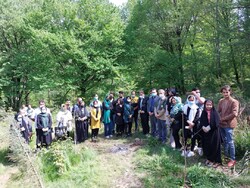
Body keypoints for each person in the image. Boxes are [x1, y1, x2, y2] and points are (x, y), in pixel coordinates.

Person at [218, 85, 239, 167]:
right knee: (224, 141)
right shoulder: (221, 101)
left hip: (229, 124)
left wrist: (223, 119)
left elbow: (234, 113)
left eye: (227, 92)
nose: (225, 93)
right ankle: (226, 156)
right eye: (224, 92)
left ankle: (232, 159)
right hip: (221, 124)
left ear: (230, 92)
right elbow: (218, 111)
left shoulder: (234, 101)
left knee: (230, 141)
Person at [200, 99, 222, 167]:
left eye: (210, 105)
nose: (209, 106)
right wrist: (203, 127)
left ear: (212, 105)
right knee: (207, 145)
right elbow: (202, 121)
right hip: (206, 132)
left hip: (214, 132)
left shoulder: (215, 112)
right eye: (207, 105)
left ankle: (216, 160)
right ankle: (209, 159)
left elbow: (217, 122)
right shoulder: (203, 112)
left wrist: (210, 127)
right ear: (205, 105)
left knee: (214, 146)